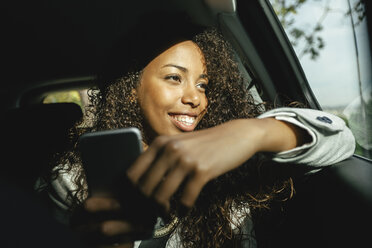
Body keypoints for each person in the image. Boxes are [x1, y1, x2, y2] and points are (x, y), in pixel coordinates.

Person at [38, 11, 355, 248]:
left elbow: (341, 138)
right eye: (174, 78)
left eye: (203, 85)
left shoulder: (230, 160)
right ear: (131, 87)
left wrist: (254, 133)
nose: (195, 98)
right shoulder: (73, 178)